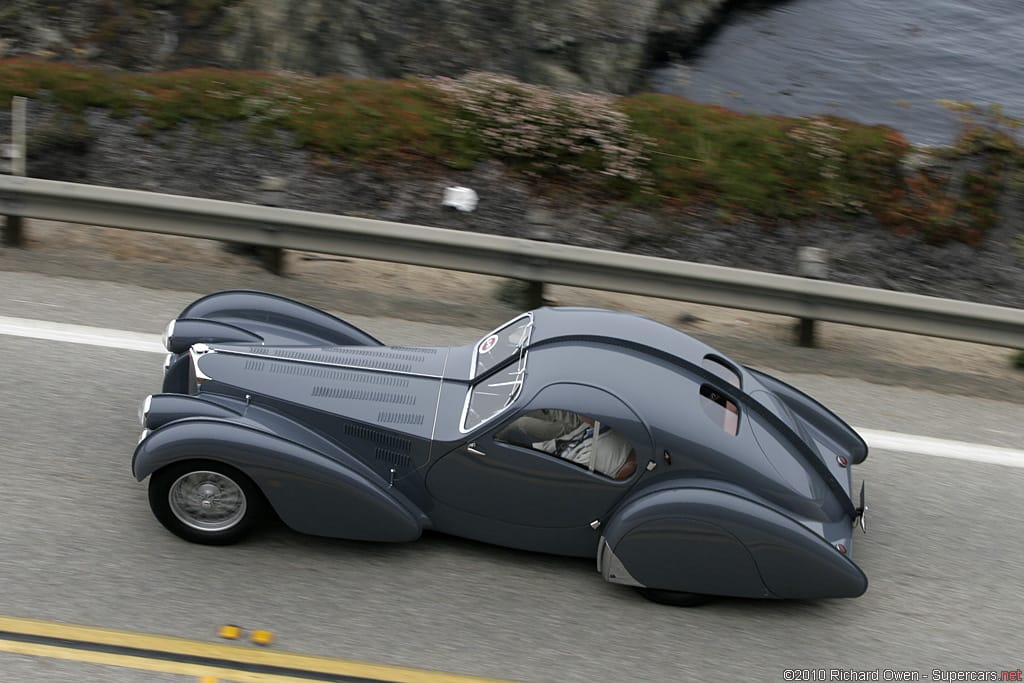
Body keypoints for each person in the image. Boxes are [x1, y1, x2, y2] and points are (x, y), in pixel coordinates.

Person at [498, 410, 637, 480]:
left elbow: (561, 471)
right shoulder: (603, 428)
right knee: (525, 417)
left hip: (552, 460)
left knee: (517, 425)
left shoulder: (592, 456)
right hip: (567, 440)